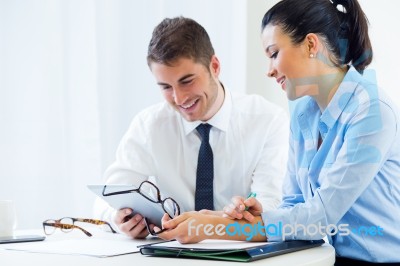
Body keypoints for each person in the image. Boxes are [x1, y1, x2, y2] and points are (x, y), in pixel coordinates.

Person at [156, 0, 400, 264]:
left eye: (274, 53)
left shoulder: (371, 110)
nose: (269, 70)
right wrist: (236, 217)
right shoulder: (304, 110)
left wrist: (213, 227)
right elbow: (296, 203)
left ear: (310, 45)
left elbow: (320, 218)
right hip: (330, 258)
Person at [94, 16, 289, 239]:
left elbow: (273, 205)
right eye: (166, 87)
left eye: (187, 81)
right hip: (169, 254)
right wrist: (119, 218)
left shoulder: (268, 120)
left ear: (214, 67)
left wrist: (245, 211)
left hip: (241, 252)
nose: (179, 98)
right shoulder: (149, 125)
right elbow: (106, 197)